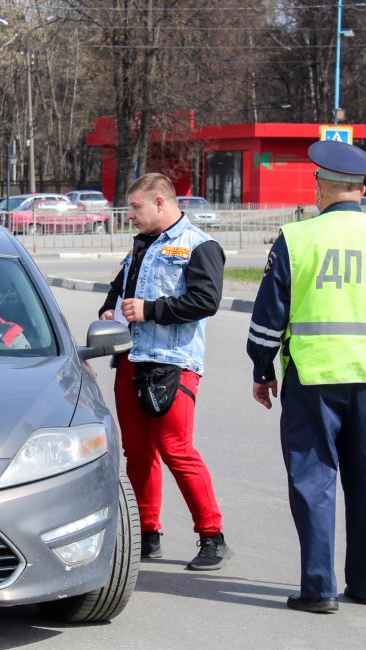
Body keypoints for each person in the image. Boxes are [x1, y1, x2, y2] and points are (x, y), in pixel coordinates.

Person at [246, 140, 366, 614]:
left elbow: (268, 318)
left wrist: (262, 370)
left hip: (313, 378)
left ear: (322, 186)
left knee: (313, 482)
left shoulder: (297, 238)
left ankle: (319, 589)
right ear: (362, 189)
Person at [98, 173, 230, 570]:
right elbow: (118, 289)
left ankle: (212, 536)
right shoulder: (140, 246)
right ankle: (146, 532)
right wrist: (108, 309)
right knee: (137, 453)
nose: (130, 216)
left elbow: (206, 301)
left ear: (160, 202)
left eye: (136, 208)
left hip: (174, 364)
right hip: (131, 360)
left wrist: (151, 310)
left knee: (177, 449)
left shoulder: (199, 245)